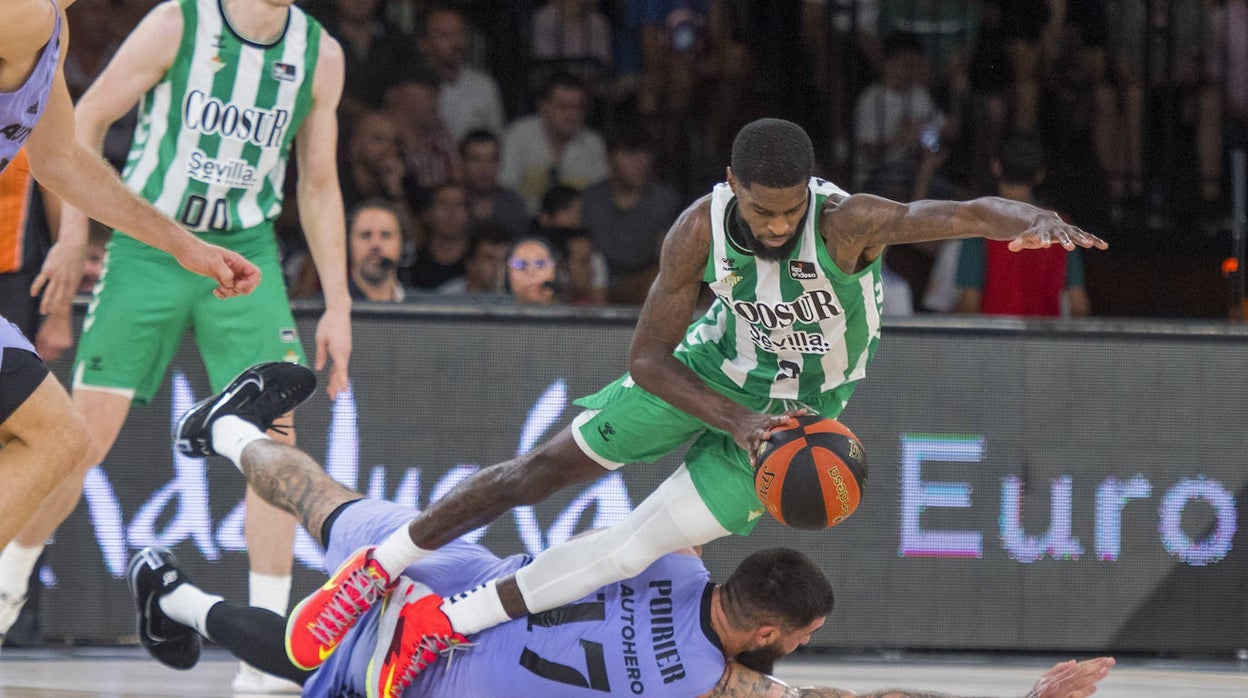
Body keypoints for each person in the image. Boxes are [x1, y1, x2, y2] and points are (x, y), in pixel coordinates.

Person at [284, 117, 1108, 695]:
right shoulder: (697, 231)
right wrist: (735, 418)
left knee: (628, 549)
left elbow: (959, 213)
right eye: (763, 210)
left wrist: (1030, 218)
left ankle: (445, 623)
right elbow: (644, 357)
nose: (779, 227)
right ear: (731, 188)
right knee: (535, 473)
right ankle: (378, 568)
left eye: (791, 211)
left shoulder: (849, 223)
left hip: (800, 421)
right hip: (704, 379)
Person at [149, 360, 1116, 697]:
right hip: (429, 675)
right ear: (770, 636)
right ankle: (180, 599)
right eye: (802, 641)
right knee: (296, 654)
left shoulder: (683, 561)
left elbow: (673, 496)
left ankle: (227, 429)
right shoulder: (711, 687)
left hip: (450, 571)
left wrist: (743, 418)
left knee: (320, 501)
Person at [0, 0, 352, 692]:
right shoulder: (168, 21)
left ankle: (267, 651)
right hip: (142, 253)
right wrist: (76, 238)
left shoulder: (319, 52)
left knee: (267, 431)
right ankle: (8, 591)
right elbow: (86, 129)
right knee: (76, 437)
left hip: (236, 243)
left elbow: (63, 156)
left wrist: (337, 302)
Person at [0, 0, 262, 645]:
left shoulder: (48, 28)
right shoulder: (22, 13)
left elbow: (62, 162)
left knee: (57, 438)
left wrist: (181, 243)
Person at [954, 134, 1091, 318]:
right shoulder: (1061, 225)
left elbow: (969, 303)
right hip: (1046, 341)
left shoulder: (981, 224)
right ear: (1039, 174)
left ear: (996, 166)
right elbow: (1078, 304)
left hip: (995, 342)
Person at [346, 199, 414, 303]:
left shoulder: (427, 308)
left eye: (386, 235)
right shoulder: (320, 309)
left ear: (404, 245)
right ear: (347, 244)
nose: (375, 245)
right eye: (365, 235)